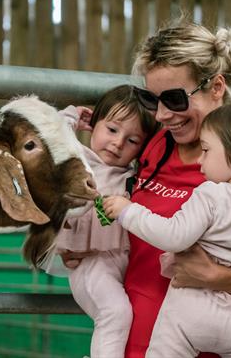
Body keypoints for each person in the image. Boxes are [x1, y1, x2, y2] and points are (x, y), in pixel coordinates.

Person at [60, 17, 231, 358]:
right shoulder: (154, 144)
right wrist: (84, 241)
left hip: (205, 345)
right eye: (151, 98)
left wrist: (217, 276)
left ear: (216, 86)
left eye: (173, 98)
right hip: (132, 343)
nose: (161, 114)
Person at [103, 100, 231, 357]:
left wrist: (128, 211)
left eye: (206, 150)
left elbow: (174, 236)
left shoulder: (211, 194)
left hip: (190, 313)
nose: (201, 160)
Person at [44, 85, 158, 358]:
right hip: (89, 262)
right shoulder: (78, 160)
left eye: (132, 140)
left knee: (129, 316)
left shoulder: (132, 174)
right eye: (112, 129)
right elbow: (47, 135)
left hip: (122, 262)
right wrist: (73, 116)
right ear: (94, 125)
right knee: (115, 313)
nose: (118, 143)